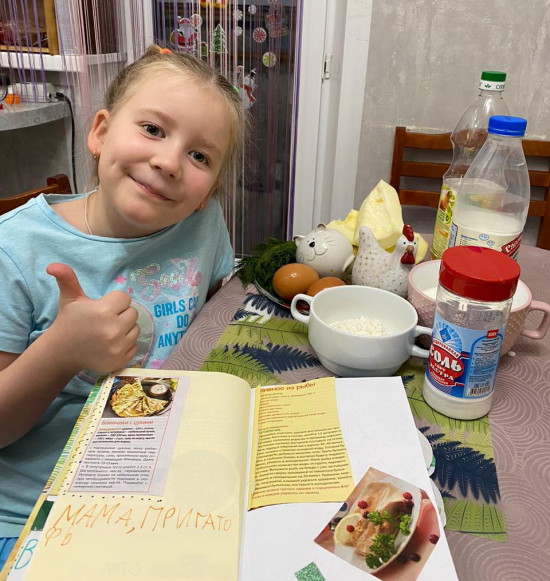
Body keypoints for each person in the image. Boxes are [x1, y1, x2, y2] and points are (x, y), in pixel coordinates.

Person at [0, 45, 246, 569]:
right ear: (100, 132)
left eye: (200, 157)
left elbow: (215, 315)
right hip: (32, 517)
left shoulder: (202, 222)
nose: (169, 163)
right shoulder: (14, 250)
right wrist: (61, 352)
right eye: (153, 129)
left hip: (163, 488)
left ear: (210, 191)